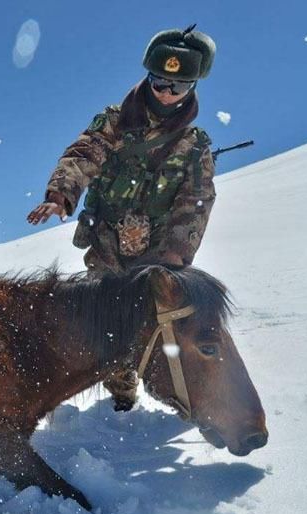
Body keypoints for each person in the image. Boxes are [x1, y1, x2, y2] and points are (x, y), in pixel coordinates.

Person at [27, 25, 217, 411]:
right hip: (107, 241)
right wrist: (60, 195)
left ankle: (182, 392)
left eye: (177, 87)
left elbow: (196, 202)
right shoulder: (115, 121)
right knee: (106, 323)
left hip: (159, 252)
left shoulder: (195, 147)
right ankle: (122, 394)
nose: (165, 92)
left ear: (192, 88)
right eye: (159, 81)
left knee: (166, 324)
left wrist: (173, 259)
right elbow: (83, 154)